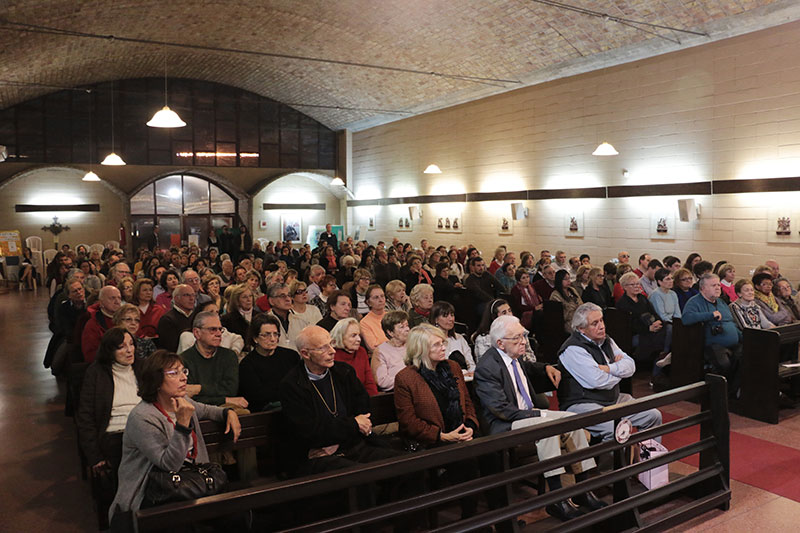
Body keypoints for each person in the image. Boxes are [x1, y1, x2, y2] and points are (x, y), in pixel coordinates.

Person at [475, 315, 605, 521]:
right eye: (516, 338)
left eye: (523, 336)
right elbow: (501, 410)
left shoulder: (514, 357)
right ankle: (555, 499)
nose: (524, 342)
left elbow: (528, 368)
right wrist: (537, 413)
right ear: (500, 343)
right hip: (505, 424)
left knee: (573, 420)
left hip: (525, 415)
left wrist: (545, 366)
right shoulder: (487, 367)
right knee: (548, 426)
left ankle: (583, 488)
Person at [108, 350, 241, 528]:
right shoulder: (142, 417)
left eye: (183, 371)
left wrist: (228, 412)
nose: (183, 378)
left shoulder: (181, 400)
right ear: (156, 381)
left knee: (236, 515)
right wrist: (183, 424)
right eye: (173, 373)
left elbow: (207, 410)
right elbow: (170, 465)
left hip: (189, 483)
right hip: (152, 492)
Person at [394, 323, 492, 521]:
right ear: (421, 349)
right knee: (467, 462)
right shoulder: (406, 378)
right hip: (432, 439)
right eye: (436, 345)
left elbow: (467, 402)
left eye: (443, 343)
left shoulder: (453, 367)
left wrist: (471, 426)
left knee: (493, 453)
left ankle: (500, 517)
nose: (443, 348)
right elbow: (408, 422)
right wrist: (442, 436)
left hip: (461, 431)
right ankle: (469, 519)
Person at [278, 325, 403, 477]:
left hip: (352, 444)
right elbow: (309, 430)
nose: (332, 351)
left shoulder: (343, 372)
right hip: (318, 455)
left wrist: (340, 438)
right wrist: (353, 424)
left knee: (402, 464)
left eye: (331, 344)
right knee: (359, 477)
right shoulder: (292, 385)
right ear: (305, 353)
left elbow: (363, 409)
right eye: (323, 348)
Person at [558, 303, 663, 441]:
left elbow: (631, 365)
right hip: (583, 403)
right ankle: (611, 463)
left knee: (653, 416)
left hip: (612, 399)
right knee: (615, 429)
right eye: (594, 323)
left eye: (601, 320)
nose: (601, 326)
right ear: (581, 329)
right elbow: (597, 381)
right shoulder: (573, 349)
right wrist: (619, 370)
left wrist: (609, 368)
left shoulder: (606, 340)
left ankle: (649, 460)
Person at [77, 327, 141, 520]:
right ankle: (124, 518)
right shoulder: (96, 373)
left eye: (131, 344)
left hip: (142, 431)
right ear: (109, 350)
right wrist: (94, 456)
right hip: (114, 434)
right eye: (121, 347)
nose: (129, 351)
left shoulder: (142, 367)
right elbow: (85, 417)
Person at [682, 274, 742, 396]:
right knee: (724, 364)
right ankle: (721, 394)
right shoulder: (694, 302)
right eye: (713, 285)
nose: (718, 288)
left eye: (719, 285)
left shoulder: (721, 302)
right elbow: (686, 318)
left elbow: (731, 323)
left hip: (734, 343)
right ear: (703, 288)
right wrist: (710, 315)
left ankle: (732, 391)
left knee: (749, 358)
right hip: (713, 344)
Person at [239, 314, 300, 411]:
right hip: (266, 412)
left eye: (275, 334)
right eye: (266, 335)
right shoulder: (247, 364)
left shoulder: (291, 356)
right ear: (255, 338)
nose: (272, 339)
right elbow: (257, 397)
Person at [615, 272, 666, 369]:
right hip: (635, 333)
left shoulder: (642, 298)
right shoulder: (622, 303)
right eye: (632, 284)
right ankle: (656, 364)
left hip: (650, 327)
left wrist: (657, 321)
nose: (636, 286)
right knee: (654, 337)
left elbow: (653, 312)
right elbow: (629, 325)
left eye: (637, 284)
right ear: (625, 287)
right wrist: (648, 329)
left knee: (667, 329)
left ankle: (662, 359)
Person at [331, 318, 378, 395]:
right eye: (353, 336)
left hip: (362, 399)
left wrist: (373, 401)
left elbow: (369, 382)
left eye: (359, 335)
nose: (359, 339)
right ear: (341, 337)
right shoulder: (332, 355)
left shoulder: (361, 351)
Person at [430, 301, 475, 374]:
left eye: (452, 315)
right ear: (436, 319)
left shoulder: (459, 338)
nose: (451, 319)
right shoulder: (430, 340)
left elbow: (471, 364)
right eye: (445, 316)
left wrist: (471, 373)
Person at [371, 311, 410, 392]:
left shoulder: (412, 345)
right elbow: (382, 382)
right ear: (390, 332)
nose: (407, 329)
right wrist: (407, 380)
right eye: (402, 327)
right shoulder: (380, 351)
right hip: (394, 393)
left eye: (407, 325)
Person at [82, 286, 123, 363]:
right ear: (101, 303)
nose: (117, 301)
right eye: (112, 298)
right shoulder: (93, 324)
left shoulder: (125, 319)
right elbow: (90, 355)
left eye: (119, 298)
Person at [266, 282, 309, 350]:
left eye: (289, 295)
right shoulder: (265, 323)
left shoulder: (301, 321)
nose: (288, 299)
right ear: (271, 301)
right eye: (282, 296)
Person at [648, 268, 681, 357]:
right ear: (660, 282)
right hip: (661, 323)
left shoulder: (673, 294)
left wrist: (679, 323)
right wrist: (674, 323)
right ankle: (665, 352)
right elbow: (661, 315)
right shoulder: (656, 294)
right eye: (668, 279)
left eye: (671, 278)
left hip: (671, 321)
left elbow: (677, 313)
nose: (671, 281)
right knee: (670, 329)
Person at [156, 284, 196, 353]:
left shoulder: (197, 316)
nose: (191, 298)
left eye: (193, 295)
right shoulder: (167, 320)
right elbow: (170, 349)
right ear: (176, 298)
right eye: (187, 295)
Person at [359, 284, 388, 352]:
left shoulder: (392, 316)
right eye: (376, 297)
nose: (380, 300)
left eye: (382, 296)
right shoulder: (364, 322)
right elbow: (373, 347)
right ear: (368, 302)